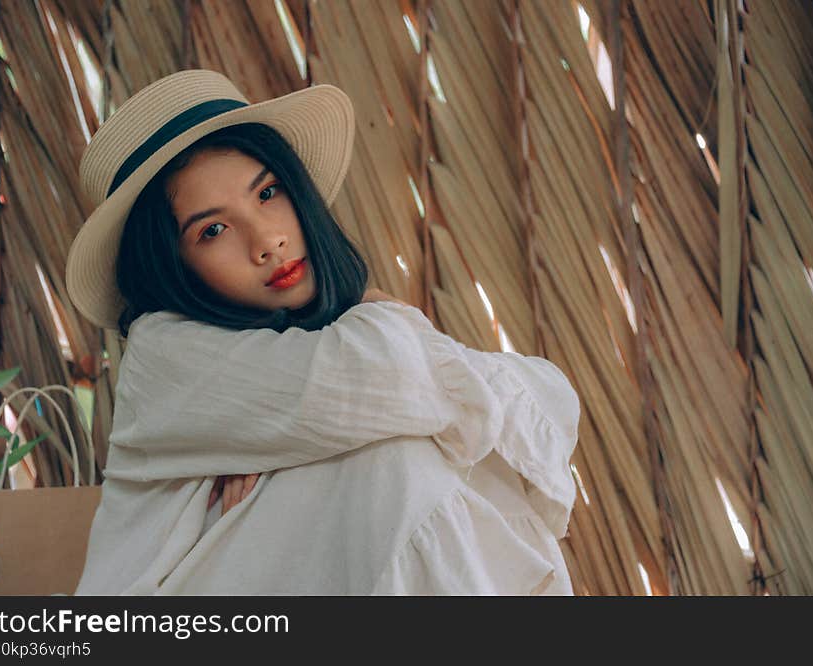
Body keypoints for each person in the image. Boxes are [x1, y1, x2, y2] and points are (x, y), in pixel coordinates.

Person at [67, 69, 580, 595]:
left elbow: (550, 396)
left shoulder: (316, 343)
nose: (267, 240)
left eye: (267, 192)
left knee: (411, 450)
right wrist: (381, 313)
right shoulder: (162, 353)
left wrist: (301, 444)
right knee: (393, 460)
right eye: (212, 230)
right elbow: (393, 378)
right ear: (169, 267)